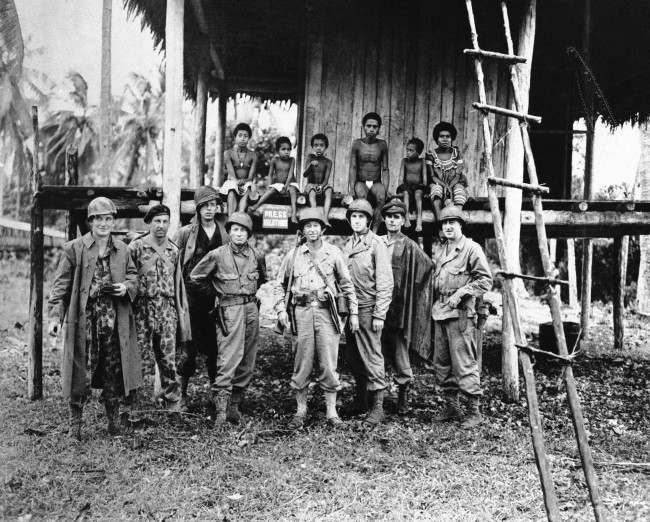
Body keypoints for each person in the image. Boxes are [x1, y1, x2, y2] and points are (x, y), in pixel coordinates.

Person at [47, 197, 141, 439]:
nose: (104, 223)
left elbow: (133, 277)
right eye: (99, 218)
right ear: (90, 221)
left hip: (113, 321)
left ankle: (114, 423)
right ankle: (75, 426)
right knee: (81, 371)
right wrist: (55, 318)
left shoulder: (122, 249)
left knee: (114, 370)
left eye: (108, 218)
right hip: (84, 323)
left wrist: (126, 288)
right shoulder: (73, 249)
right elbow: (60, 287)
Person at [275, 208, 359, 429]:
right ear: (302, 230)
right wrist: (280, 310)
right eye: (307, 226)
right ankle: (300, 411)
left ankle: (331, 412)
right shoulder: (293, 255)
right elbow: (279, 285)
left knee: (329, 363)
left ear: (323, 229)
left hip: (326, 314)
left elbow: (347, 285)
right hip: (301, 313)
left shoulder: (333, 253)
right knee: (302, 362)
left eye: (316, 225)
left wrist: (354, 313)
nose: (312, 230)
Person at [190, 212, 267, 427]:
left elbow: (262, 279)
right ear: (229, 232)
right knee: (228, 357)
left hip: (251, 309)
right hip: (228, 310)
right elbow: (195, 278)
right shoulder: (217, 255)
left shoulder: (257, 255)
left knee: (248, 358)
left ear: (249, 234)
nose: (239, 234)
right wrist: (216, 294)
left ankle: (234, 406)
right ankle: (221, 413)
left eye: (243, 230)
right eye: (235, 229)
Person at [431, 205, 492, 429]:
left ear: (460, 225)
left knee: (464, 362)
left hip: (461, 314)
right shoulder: (441, 250)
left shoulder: (471, 249)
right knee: (442, 363)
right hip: (440, 311)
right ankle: (451, 406)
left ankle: (473, 411)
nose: (448, 227)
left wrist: (462, 292)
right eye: (445, 223)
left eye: (452, 223)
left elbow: (486, 280)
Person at [128, 205, 191, 412]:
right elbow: (128, 279)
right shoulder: (135, 247)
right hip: (142, 309)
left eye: (165, 221)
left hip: (166, 310)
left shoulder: (174, 250)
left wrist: (180, 315)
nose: (161, 225)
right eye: (157, 221)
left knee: (168, 360)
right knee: (137, 359)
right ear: (149, 222)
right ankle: (133, 405)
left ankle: (173, 403)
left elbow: (178, 284)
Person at [379, 199, 433, 414]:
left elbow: (427, 266)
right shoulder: (377, 241)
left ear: (403, 220)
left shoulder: (409, 245)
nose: (392, 221)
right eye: (389, 217)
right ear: (384, 219)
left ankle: (403, 393)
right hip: (376, 306)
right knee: (376, 351)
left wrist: (412, 292)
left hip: (397, 308)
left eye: (397, 217)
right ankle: (377, 397)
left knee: (399, 350)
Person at [175, 186, 227, 409]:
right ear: (197, 208)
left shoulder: (224, 232)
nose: (209, 210)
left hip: (215, 297)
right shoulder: (186, 233)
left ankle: (216, 395)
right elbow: (174, 264)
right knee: (188, 349)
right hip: (190, 298)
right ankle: (181, 395)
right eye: (204, 206)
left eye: (212, 205)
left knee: (216, 348)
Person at [343, 199, 393, 426]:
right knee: (353, 357)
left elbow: (385, 281)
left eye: (361, 217)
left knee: (372, 356)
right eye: (353, 217)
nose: (356, 221)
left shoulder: (376, 244)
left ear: (369, 221)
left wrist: (379, 314)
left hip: (368, 308)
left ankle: (378, 407)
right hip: (350, 310)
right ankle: (361, 400)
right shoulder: (347, 244)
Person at [348, 112, 390, 231]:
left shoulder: (382, 145)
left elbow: (385, 169)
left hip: (376, 182)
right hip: (360, 181)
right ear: (363, 127)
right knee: (362, 198)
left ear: (379, 129)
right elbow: (353, 167)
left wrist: (385, 189)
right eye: (368, 126)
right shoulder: (357, 144)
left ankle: (374, 231)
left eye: (375, 127)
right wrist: (351, 189)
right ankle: (364, 230)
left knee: (381, 198)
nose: (371, 129)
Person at [249, 136, 300, 223]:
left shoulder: (292, 160)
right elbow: (270, 174)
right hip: (279, 184)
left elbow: (290, 174)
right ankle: (256, 205)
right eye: (283, 149)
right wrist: (269, 185)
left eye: (289, 149)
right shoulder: (274, 160)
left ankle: (294, 214)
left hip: (290, 183)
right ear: (277, 151)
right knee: (271, 190)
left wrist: (286, 186)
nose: (286, 152)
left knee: (292, 191)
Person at [426, 122, 469, 221]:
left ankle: (456, 219)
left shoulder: (457, 153)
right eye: (441, 136)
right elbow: (432, 176)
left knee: (459, 191)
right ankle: (440, 222)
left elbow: (458, 175)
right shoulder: (430, 155)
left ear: (452, 138)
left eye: (448, 136)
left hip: (455, 182)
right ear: (437, 138)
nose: (445, 139)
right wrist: (445, 186)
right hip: (437, 181)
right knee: (436, 190)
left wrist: (450, 187)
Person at [221, 123, 258, 215]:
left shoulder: (253, 155)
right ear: (235, 137)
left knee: (248, 188)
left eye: (245, 136)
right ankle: (231, 219)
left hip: (246, 182)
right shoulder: (228, 153)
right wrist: (237, 182)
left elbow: (251, 177)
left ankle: (240, 218)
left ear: (249, 138)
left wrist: (244, 182)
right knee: (232, 189)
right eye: (240, 135)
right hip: (233, 181)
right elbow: (231, 174)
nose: (243, 138)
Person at [396, 138, 428, 232]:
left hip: (419, 186)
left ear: (418, 152)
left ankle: (419, 221)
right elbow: (401, 177)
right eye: (407, 150)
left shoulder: (422, 161)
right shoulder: (404, 161)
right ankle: (406, 219)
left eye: (411, 150)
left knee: (418, 194)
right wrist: (400, 188)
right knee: (406, 193)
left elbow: (424, 177)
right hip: (407, 186)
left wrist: (424, 188)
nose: (408, 152)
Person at [302, 133, 334, 226]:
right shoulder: (310, 157)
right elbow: (304, 174)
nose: (318, 148)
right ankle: (315, 215)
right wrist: (311, 165)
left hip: (321, 185)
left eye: (321, 145)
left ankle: (325, 218)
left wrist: (321, 186)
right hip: (311, 185)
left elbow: (326, 180)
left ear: (326, 147)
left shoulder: (328, 162)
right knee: (312, 191)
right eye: (316, 145)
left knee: (329, 190)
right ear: (312, 147)